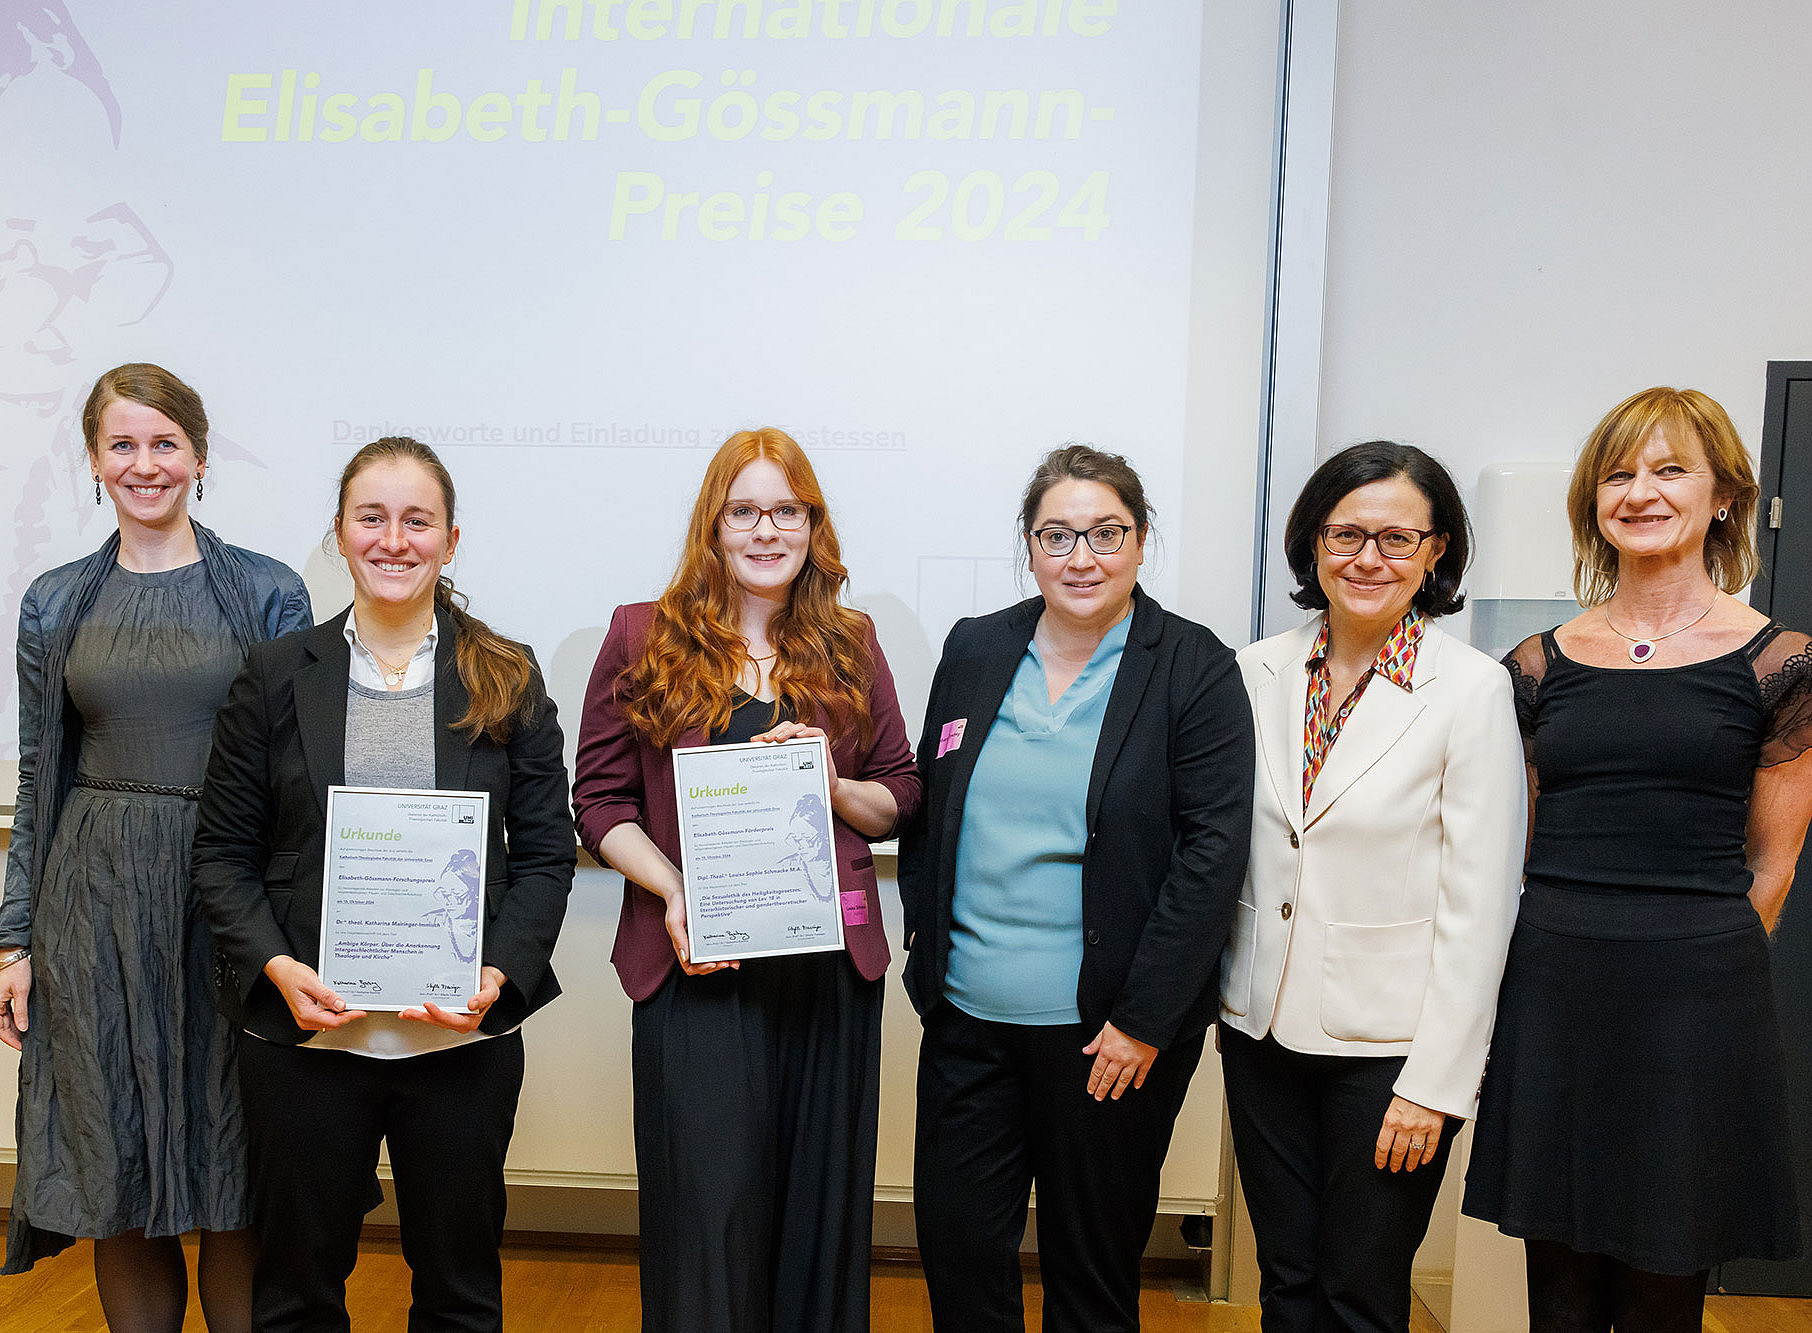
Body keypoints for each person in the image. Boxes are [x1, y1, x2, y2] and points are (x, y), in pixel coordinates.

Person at [189, 437, 575, 1333]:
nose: (393, 539)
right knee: (296, 1294)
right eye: (372, 517)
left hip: (458, 1040)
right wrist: (277, 967)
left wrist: (501, 975)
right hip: (308, 1042)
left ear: (449, 539)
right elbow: (222, 853)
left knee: (460, 1293)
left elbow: (550, 852)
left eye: (417, 520)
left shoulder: (506, 673)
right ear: (339, 532)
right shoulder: (278, 672)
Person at [1464, 387, 1811, 1331]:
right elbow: (1516, 843)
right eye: (1618, 473)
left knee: (1666, 1282)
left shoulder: (1780, 661)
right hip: (1555, 986)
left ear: (1724, 495)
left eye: (1670, 470)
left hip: (1696, 999)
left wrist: (1696, 955)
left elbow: (1773, 864)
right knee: (1561, 1289)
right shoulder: (1536, 663)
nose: (1642, 492)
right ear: (1592, 502)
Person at [899, 443, 1255, 1332]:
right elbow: (932, 808)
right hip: (967, 1022)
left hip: (1107, 1039)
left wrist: (1145, 1020)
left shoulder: (1193, 666)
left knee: (1090, 1278)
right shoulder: (978, 646)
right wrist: (924, 960)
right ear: (1029, 546)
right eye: (1058, 535)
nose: (1082, 556)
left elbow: (1212, 852)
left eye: (1107, 532)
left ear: (1141, 542)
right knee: (960, 1256)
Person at [573, 427, 921, 1333]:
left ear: (812, 524)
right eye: (744, 510)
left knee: (820, 1222)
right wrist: (674, 891)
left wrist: (834, 782)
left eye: (786, 510)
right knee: (707, 1221)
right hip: (697, 968)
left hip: (828, 976)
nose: (766, 529)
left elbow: (902, 795)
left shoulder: (851, 641)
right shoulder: (640, 633)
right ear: (713, 524)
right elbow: (601, 800)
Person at [0, 363, 311, 1332]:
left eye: (165, 442)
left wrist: (298, 930)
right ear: (95, 462)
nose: (146, 463)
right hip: (91, 909)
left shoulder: (267, 590)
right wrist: (14, 939)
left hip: (228, 904)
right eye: (123, 445)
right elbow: (41, 769)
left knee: (235, 1169)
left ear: (200, 457)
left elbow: (298, 776)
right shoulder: (54, 603)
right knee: (115, 1169)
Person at [1218, 441, 1526, 1333]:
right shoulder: (1255, 671)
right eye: (1347, 533)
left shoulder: (1471, 690)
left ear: (1437, 553)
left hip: (1391, 1051)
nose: (1368, 558)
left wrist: (1437, 1082)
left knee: (1360, 1291)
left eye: (1397, 538)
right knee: (1288, 1281)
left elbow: (1482, 904)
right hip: (1261, 1026)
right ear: (1313, 543)